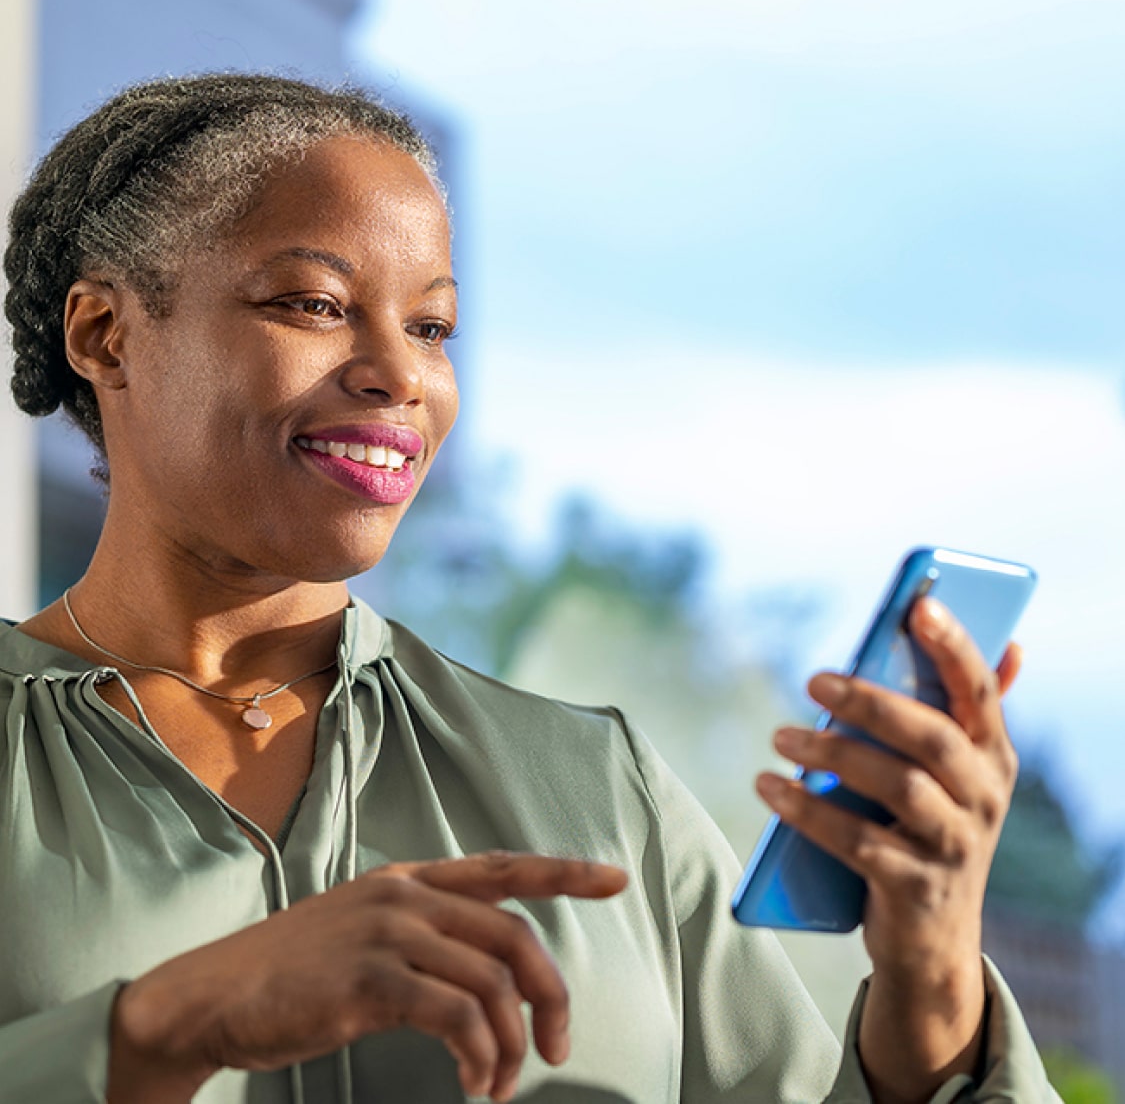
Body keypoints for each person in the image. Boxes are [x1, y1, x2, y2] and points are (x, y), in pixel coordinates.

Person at [0, 73, 1057, 1103]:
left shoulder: (601, 790)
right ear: (106, 335)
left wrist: (933, 992)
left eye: (430, 327)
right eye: (314, 303)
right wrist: (171, 1025)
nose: (401, 374)